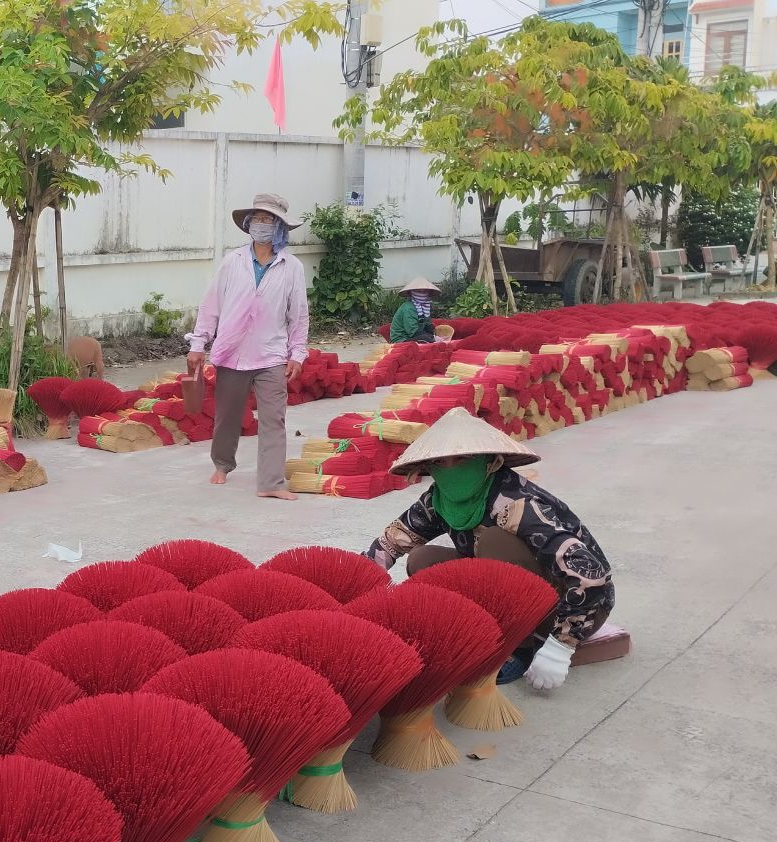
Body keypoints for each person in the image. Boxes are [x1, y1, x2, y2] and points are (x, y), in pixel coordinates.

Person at [363, 407, 615, 690]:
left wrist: (561, 646)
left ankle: (519, 647)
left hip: (571, 607)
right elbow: (390, 544)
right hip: (506, 595)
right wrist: (359, 589)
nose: (451, 469)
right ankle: (480, 630)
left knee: (495, 542)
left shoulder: (518, 504)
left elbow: (592, 578)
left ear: (490, 462)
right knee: (423, 559)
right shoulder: (439, 500)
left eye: (462, 459)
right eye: (441, 462)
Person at [186, 192, 309, 499]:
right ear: (249, 224)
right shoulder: (233, 261)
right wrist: (198, 343)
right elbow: (211, 305)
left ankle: (271, 482)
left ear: (279, 227)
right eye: (258, 219)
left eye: (269, 220)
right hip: (232, 353)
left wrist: (298, 352)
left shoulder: (291, 266)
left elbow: (299, 313)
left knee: (274, 418)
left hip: (271, 354)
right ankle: (222, 464)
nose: (262, 225)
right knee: (227, 415)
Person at [389, 277, 440, 343]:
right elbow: (413, 331)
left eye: (424, 291)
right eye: (418, 291)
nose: (422, 293)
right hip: (401, 339)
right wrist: (431, 338)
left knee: (432, 337)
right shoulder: (408, 308)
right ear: (411, 292)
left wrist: (434, 334)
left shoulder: (425, 307)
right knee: (426, 339)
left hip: (413, 336)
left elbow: (427, 325)